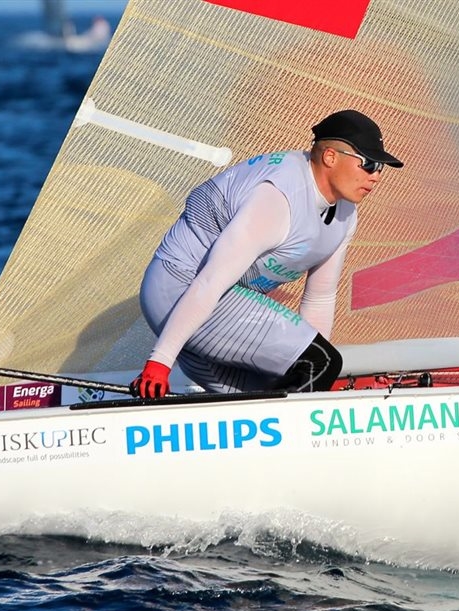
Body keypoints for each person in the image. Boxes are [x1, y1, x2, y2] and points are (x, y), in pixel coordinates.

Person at [131, 109, 403, 398]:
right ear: (330, 157)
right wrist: (160, 361)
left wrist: (312, 372)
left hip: (211, 303)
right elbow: (211, 279)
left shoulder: (346, 215)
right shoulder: (278, 198)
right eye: (369, 164)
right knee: (322, 362)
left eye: (381, 168)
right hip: (180, 290)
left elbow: (320, 297)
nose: (376, 177)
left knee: (290, 379)